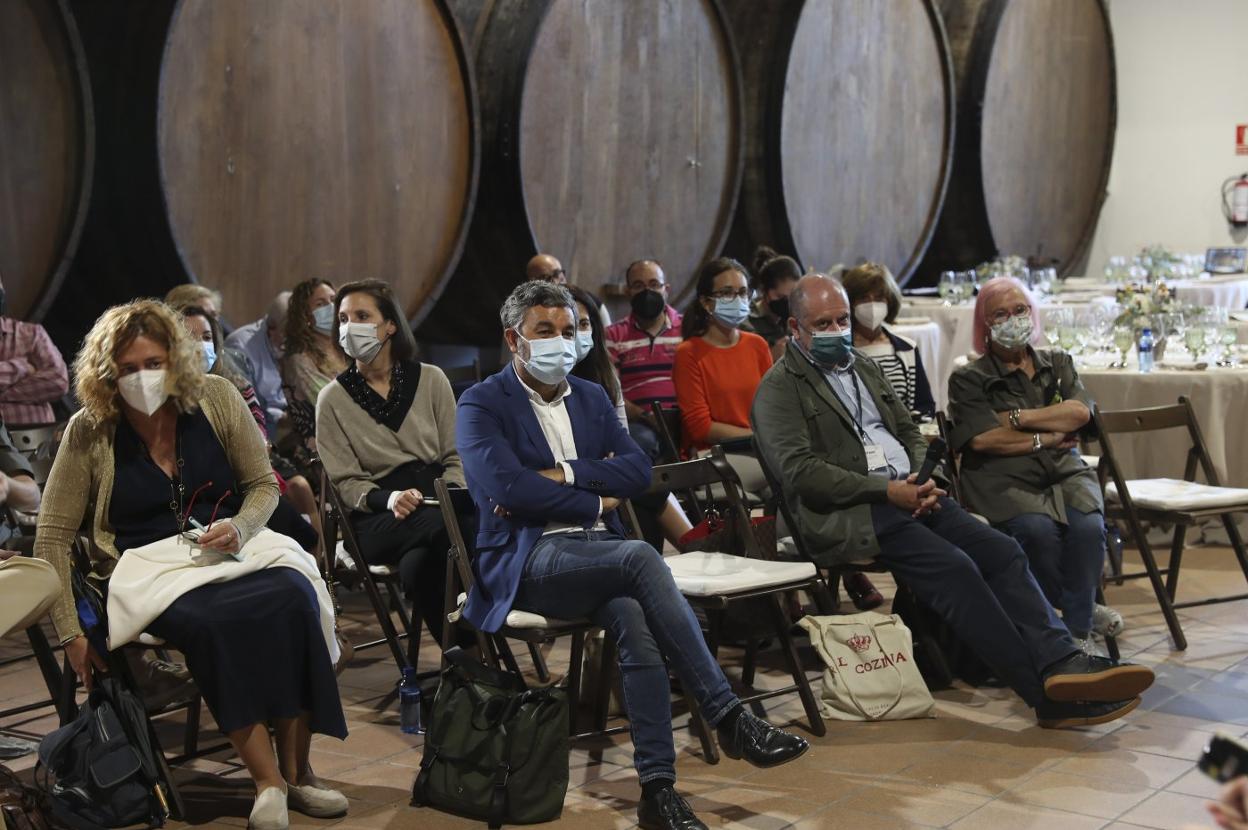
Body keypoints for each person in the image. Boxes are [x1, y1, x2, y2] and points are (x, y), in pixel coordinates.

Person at [457, 281, 809, 830]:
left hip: (601, 554)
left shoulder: (593, 397)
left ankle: (658, 791)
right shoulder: (481, 402)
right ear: (513, 339)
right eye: (544, 331)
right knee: (642, 560)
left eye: (569, 330)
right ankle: (728, 714)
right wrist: (596, 495)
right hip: (532, 559)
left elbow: (639, 472)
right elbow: (507, 489)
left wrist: (567, 473)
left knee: (633, 615)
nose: (561, 341)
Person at [751, 273, 1154, 728]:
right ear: (794, 329)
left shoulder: (861, 365)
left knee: (1001, 551)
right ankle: (1043, 694)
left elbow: (909, 429)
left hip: (911, 492)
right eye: (822, 324)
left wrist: (927, 477)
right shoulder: (779, 390)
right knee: (956, 569)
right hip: (852, 512)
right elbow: (800, 473)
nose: (837, 331)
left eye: (842, 320)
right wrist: (887, 490)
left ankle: (1063, 660)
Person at [34, 300, 347, 830]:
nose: (142, 378)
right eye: (128, 369)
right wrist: (70, 632)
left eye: (152, 363)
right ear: (106, 373)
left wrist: (243, 528)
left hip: (229, 548)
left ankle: (299, 775)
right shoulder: (89, 430)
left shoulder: (218, 398)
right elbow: (51, 537)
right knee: (213, 621)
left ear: (175, 360)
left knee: (295, 596)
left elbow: (260, 485)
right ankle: (267, 783)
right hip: (148, 567)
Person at [947, 276, 1121, 650]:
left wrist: (1018, 417)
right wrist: (1047, 435)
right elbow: (983, 439)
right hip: (1002, 479)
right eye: (1001, 314)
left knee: (1090, 528)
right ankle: (1082, 616)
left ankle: (1074, 632)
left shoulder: (1057, 362)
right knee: (1036, 533)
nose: (1013, 319)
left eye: (1020, 310)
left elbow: (1078, 413)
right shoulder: (969, 378)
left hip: (1065, 471)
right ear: (986, 325)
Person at [316, 279, 462, 644]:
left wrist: (452, 495)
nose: (350, 327)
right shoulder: (331, 399)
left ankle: (465, 669)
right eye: (344, 318)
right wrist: (390, 498)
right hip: (377, 515)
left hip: (437, 497)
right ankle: (489, 636)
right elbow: (346, 482)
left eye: (362, 316)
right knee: (458, 529)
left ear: (390, 324)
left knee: (420, 567)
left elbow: (457, 455)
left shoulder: (431, 379)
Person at [182, 307, 321, 556]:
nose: (200, 346)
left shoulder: (230, 383)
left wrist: (256, 443)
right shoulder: (173, 400)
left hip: (250, 470)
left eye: (206, 337)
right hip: (216, 491)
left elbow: (256, 423)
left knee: (304, 531)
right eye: (189, 338)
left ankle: (323, 572)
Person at [570, 286, 692, 548]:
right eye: (570, 324)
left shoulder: (603, 373)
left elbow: (621, 437)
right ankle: (695, 545)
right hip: (578, 477)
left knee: (640, 486)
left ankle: (683, 551)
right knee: (642, 484)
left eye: (584, 323)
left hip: (609, 471)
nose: (577, 332)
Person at [673, 257, 773, 494]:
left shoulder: (757, 345)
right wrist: (757, 435)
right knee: (788, 477)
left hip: (760, 449)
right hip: (715, 456)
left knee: (789, 490)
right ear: (707, 302)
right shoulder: (689, 353)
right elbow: (701, 427)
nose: (737, 299)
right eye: (727, 293)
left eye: (742, 292)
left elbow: (772, 404)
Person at [605, 260, 683, 460]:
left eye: (654, 284)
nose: (647, 291)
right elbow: (612, 391)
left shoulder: (688, 328)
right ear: (628, 292)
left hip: (687, 417)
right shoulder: (613, 335)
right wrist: (646, 417)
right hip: (640, 422)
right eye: (638, 285)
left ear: (666, 289)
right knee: (639, 444)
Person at [842, 262, 935, 419]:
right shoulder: (841, 351)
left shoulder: (908, 349)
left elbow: (925, 406)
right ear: (851, 303)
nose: (872, 304)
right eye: (864, 298)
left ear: (889, 301)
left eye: (879, 298)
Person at [281, 279, 348, 448]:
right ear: (305, 316)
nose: (331, 307)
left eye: (333, 300)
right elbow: (335, 403)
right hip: (327, 445)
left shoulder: (349, 346)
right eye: (321, 304)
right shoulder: (299, 360)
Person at [0, 270, 70, 425]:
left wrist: (5, 395)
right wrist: (23, 367)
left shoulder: (31, 334)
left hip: (38, 441)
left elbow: (59, 381)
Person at [226, 291, 291, 436]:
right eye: (287, 333)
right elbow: (245, 408)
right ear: (271, 328)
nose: (294, 340)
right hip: (259, 429)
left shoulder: (298, 342)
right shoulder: (240, 345)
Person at [742, 246, 802, 362]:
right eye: (780, 297)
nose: (787, 303)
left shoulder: (797, 318)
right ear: (764, 290)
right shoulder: (746, 326)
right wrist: (771, 358)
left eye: (792, 297)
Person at [526, 252, 611, 326]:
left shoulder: (590, 302)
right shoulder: (524, 310)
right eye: (545, 278)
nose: (555, 282)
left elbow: (607, 337)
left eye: (557, 274)